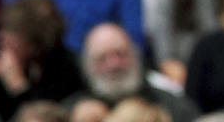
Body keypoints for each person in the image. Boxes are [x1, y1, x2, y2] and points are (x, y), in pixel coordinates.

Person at [63, 24, 198, 122]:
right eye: (102, 58)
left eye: (120, 54)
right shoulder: (73, 111)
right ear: (89, 66)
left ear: (135, 56)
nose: (114, 64)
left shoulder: (172, 106)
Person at [0, 0, 85, 120]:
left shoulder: (69, 70)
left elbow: (45, 116)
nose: (2, 37)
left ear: (34, 43)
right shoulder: (17, 64)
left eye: (13, 32)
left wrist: (19, 88)